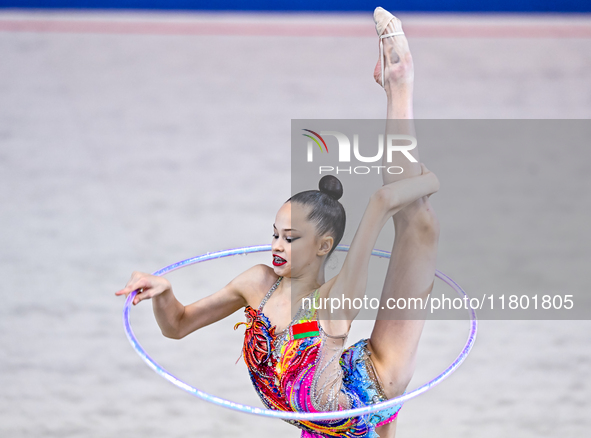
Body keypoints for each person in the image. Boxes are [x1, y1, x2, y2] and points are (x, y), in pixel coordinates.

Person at [116, 7, 440, 438]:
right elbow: (176, 327)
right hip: (320, 423)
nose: (278, 246)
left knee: (418, 223)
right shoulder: (257, 283)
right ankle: (398, 95)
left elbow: (381, 204)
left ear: (323, 245)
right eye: (275, 235)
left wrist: (427, 182)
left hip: (371, 389)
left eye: (291, 238)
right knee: (416, 216)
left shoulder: (332, 298)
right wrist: (165, 291)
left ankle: (399, 83)